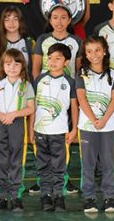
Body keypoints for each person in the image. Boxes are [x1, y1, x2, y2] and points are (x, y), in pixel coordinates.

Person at [31, 44, 79, 212]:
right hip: (40, 131)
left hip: (60, 131)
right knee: (43, 165)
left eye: (58, 58)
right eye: (50, 57)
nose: (53, 61)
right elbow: (33, 106)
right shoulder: (40, 79)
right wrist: (31, 129)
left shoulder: (70, 82)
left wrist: (74, 130)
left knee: (59, 167)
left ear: (66, 62)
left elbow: (74, 106)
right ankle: (45, 195)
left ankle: (59, 195)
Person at [77, 36, 114, 213]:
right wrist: (93, 119)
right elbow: (81, 98)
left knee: (107, 162)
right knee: (88, 163)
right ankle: (89, 198)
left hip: (107, 126)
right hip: (88, 126)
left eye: (97, 50)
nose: (94, 55)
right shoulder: (81, 74)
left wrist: (103, 120)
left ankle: (109, 198)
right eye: (89, 51)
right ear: (85, 54)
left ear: (104, 51)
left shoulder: (113, 74)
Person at [0, 48, 36, 211]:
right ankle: (2, 195)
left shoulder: (27, 86)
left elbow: (31, 108)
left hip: (17, 123)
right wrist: (1, 115)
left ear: (23, 66)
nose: (12, 67)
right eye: (8, 64)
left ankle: (16, 196)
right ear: (3, 65)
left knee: (17, 159)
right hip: (1, 123)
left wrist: (14, 114)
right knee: (1, 159)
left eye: (17, 64)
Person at [0, 6, 34, 85]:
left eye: (15, 19)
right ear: (2, 22)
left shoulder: (29, 43)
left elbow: (33, 70)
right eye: (7, 20)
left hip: (22, 91)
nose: (11, 23)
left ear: (20, 21)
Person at [33, 5, 83, 79]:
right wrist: (38, 85)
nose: (59, 21)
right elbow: (36, 68)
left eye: (63, 18)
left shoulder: (77, 41)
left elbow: (79, 69)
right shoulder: (42, 39)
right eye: (55, 17)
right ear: (50, 20)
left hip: (69, 85)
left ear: (69, 20)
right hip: (45, 85)